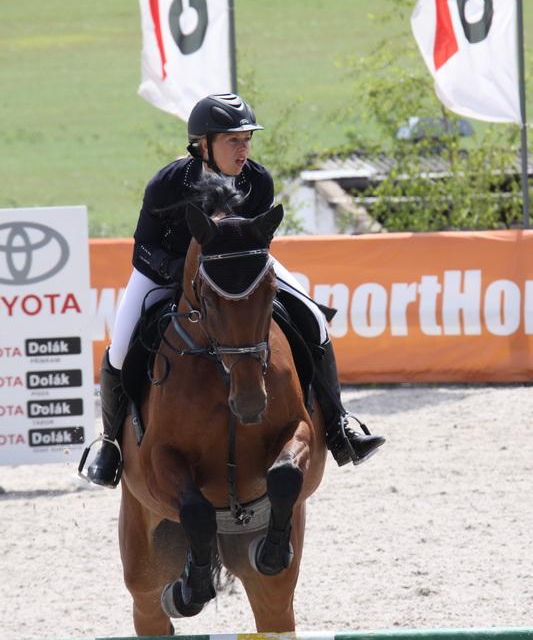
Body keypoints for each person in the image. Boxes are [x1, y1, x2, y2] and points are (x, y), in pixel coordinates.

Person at [86, 92, 385, 487]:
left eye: (246, 140)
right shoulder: (168, 184)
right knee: (121, 348)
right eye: (233, 141)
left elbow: (258, 244)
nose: (243, 149)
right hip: (166, 272)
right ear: (203, 144)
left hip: (238, 273)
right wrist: (181, 273)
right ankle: (110, 444)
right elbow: (143, 247)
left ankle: (339, 425)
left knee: (314, 319)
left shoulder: (257, 181)